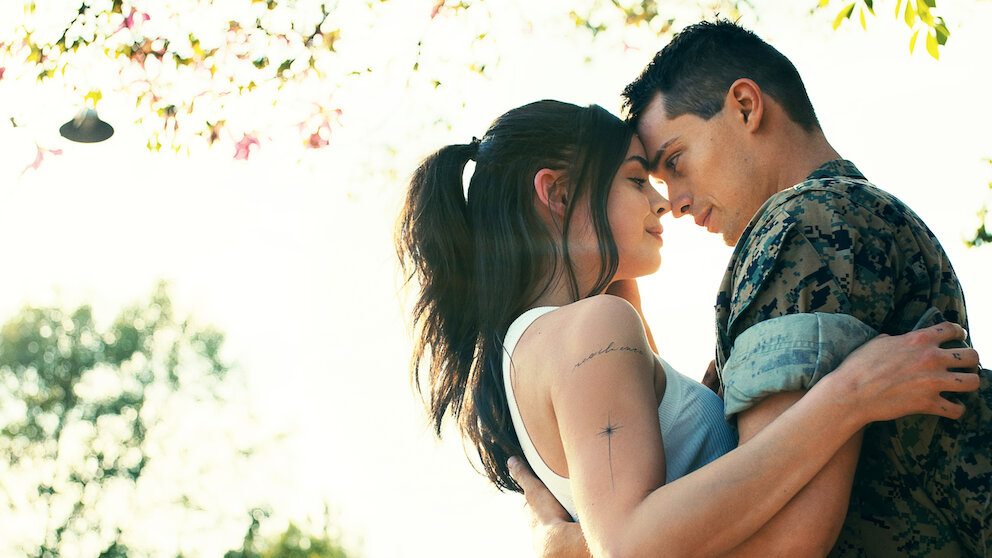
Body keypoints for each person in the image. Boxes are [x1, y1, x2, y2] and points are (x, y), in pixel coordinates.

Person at [395, 99, 982, 557]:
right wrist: (852, 394)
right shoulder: (592, 328)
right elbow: (628, 544)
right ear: (557, 192)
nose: (663, 202)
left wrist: (570, 546)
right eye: (636, 179)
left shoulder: (528, 348)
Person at [514, 20, 992, 557]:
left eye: (676, 162)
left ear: (745, 106)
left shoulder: (802, 227)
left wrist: (574, 547)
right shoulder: (859, 215)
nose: (675, 203)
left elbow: (785, 538)